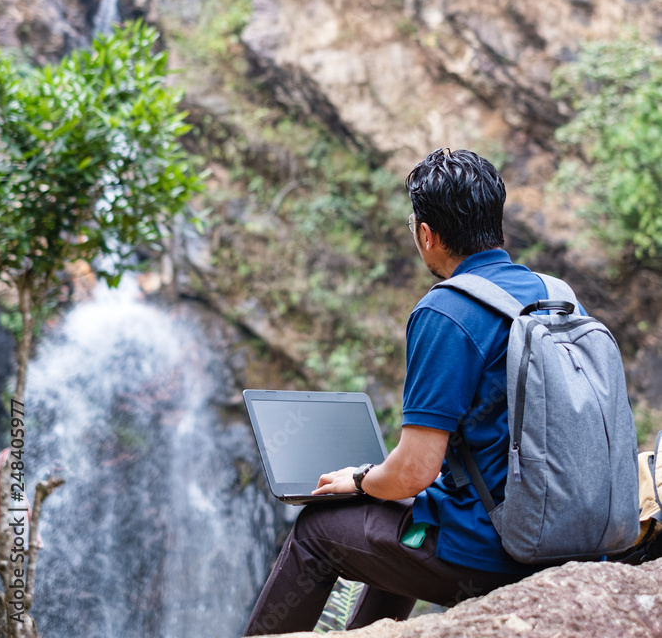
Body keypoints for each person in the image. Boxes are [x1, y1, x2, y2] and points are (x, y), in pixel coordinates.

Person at [244, 147, 585, 635]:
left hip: (508, 550)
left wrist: (360, 480)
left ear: (427, 235)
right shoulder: (557, 296)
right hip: (578, 532)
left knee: (317, 531)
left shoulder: (447, 311)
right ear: (496, 223)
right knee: (416, 513)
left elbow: (415, 472)